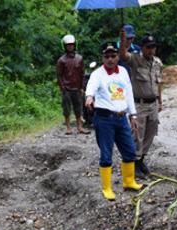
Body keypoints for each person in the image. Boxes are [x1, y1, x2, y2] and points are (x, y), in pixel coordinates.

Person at [85, 41, 142, 201]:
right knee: (106, 154)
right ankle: (107, 187)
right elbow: (91, 87)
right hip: (104, 118)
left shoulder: (123, 71)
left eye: (113, 56)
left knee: (130, 150)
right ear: (102, 58)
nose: (110, 59)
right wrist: (89, 97)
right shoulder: (98, 74)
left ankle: (129, 181)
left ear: (118, 56)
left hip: (122, 117)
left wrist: (133, 115)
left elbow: (129, 93)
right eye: (107, 56)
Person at [119, 31, 163, 178]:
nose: (151, 50)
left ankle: (141, 159)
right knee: (137, 135)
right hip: (139, 104)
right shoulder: (136, 60)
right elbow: (123, 55)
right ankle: (135, 163)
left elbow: (159, 83)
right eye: (148, 47)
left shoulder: (157, 63)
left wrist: (160, 101)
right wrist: (123, 39)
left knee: (151, 133)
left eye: (153, 47)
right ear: (142, 48)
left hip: (153, 104)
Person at [56, 34, 90, 135]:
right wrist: (62, 88)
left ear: (75, 45)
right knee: (66, 108)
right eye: (68, 45)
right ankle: (68, 128)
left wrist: (82, 87)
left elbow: (82, 74)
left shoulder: (79, 59)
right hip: (66, 88)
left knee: (78, 108)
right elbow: (59, 75)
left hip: (77, 88)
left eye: (71, 45)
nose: (70, 47)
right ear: (64, 46)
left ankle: (80, 127)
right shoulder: (61, 60)